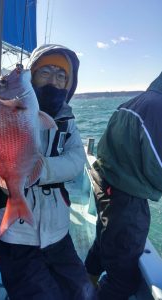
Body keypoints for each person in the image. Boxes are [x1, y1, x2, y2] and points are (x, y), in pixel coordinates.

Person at [0, 44, 96, 300]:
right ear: (32, 74)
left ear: (68, 85)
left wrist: (41, 170)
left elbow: (76, 159)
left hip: (59, 233)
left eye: (61, 76)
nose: (53, 80)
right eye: (45, 72)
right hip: (17, 236)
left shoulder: (67, 119)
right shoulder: (5, 110)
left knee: (84, 292)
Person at [85, 72, 162, 300]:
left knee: (104, 240)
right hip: (126, 197)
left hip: (107, 186)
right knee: (123, 280)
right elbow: (157, 163)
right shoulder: (158, 108)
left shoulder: (132, 103)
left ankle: (85, 284)